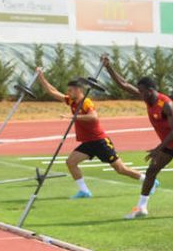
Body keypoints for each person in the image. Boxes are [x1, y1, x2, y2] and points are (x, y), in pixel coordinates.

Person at [101, 56, 173, 219]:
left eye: (142, 92)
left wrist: (158, 149)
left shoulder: (166, 104)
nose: (140, 94)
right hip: (169, 144)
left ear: (150, 91)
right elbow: (124, 84)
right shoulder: (147, 98)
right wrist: (109, 67)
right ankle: (141, 208)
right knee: (151, 171)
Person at [33, 69, 145, 199]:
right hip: (88, 143)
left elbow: (94, 117)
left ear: (78, 90)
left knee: (120, 169)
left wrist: (74, 117)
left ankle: (147, 180)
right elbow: (52, 91)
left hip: (100, 142)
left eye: (70, 90)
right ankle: (84, 191)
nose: (68, 93)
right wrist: (41, 77)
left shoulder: (86, 102)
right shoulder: (72, 101)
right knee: (71, 162)